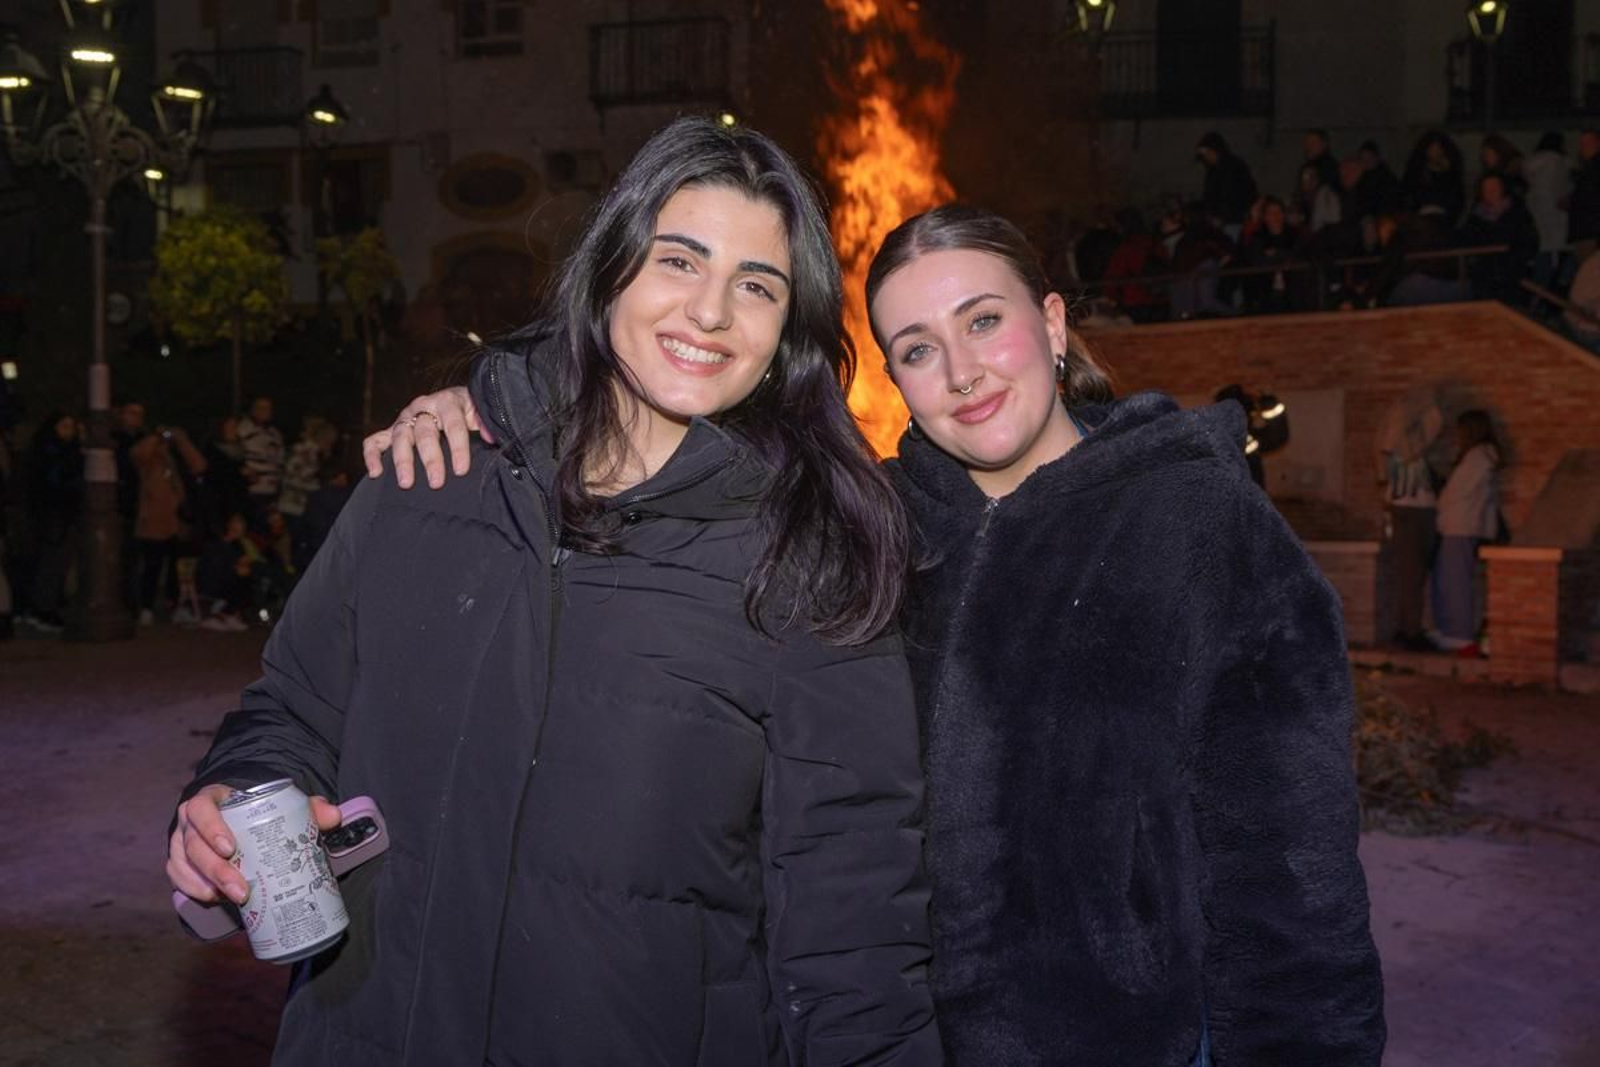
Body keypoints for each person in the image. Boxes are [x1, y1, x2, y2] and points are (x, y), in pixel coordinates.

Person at [377, 204, 1387, 1066]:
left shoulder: (1199, 525)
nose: (961, 370)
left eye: (983, 320)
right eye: (916, 348)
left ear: (1051, 322)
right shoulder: (872, 532)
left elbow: (1291, 877)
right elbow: (665, 485)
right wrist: (499, 412)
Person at [166, 116, 940, 1066]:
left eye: (756, 285)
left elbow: (855, 912)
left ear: (786, 334)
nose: (710, 311)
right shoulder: (423, 481)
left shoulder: (810, 562)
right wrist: (231, 794)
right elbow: (290, 711)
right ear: (609, 270)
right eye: (678, 261)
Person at [1432, 410, 1502, 656]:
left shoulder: (1478, 458)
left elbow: (1456, 492)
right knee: (1448, 579)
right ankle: (1450, 630)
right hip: (1461, 526)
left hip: (1461, 526)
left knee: (1456, 581)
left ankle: (1458, 634)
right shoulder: (1482, 458)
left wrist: (1440, 501)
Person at [130, 425, 206, 626]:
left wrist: (181, 440)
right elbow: (138, 454)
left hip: (176, 523)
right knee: (152, 566)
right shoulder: (149, 460)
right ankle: (146, 607)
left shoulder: (175, 459)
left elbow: (199, 465)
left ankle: (175, 605)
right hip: (152, 523)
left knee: (177, 568)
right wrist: (156, 437)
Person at [22, 411, 83, 633]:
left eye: (71, 427)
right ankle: (42, 609)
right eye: (64, 426)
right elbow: (52, 480)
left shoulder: (67, 450)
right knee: (50, 561)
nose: (69, 432)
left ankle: (45, 606)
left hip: (62, 513)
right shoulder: (49, 451)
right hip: (51, 513)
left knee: (57, 562)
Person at [1459, 173, 1537, 304]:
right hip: (1484, 278)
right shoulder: (1475, 217)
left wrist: (1513, 262)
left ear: (1503, 189)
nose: (1490, 192)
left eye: (1494, 188)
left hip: (1511, 277)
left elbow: (1529, 241)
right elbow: (1467, 241)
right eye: (1486, 188)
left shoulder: (1517, 212)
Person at [1523, 132, 1570, 302]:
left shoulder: (1530, 164)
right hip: (1556, 219)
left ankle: (1536, 297)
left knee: (1542, 255)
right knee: (1556, 258)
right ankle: (1548, 295)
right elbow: (1561, 191)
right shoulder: (1558, 162)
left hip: (1537, 217)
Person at [1194, 131, 1257, 239]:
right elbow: (1209, 196)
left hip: (1233, 222)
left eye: (1208, 153)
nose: (1206, 158)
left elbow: (1243, 195)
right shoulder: (1212, 171)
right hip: (1218, 223)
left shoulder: (1235, 167)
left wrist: (1224, 218)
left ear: (1216, 151)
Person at [235, 395, 284, 529]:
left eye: (268, 408)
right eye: (261, 407)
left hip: (271, 491)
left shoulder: (275, 433)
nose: (265, 411)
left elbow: (279, 461)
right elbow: (234, 454)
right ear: (253, 409)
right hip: (251, 491)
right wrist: (243, 471)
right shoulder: (242, 428)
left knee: (271, 529)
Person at [1402, 130, 1466, 224]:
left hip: (1443, 221)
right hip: (1419, 220)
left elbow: (1457, 202)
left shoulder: (1452, 175)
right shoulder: (1416, 172)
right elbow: (1408, 196)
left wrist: (1448, 173)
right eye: (1432, 149)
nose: (1436, 152)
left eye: (1439, 149)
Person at [1568, 128, 1600, 267]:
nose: (1583, 148)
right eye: (1582, 144)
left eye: (1587, 143)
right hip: (1587, 228)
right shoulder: (1589, 167)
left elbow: (1590, 197)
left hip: (1590, 228)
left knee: (1590, 268)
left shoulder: (1594, 167)